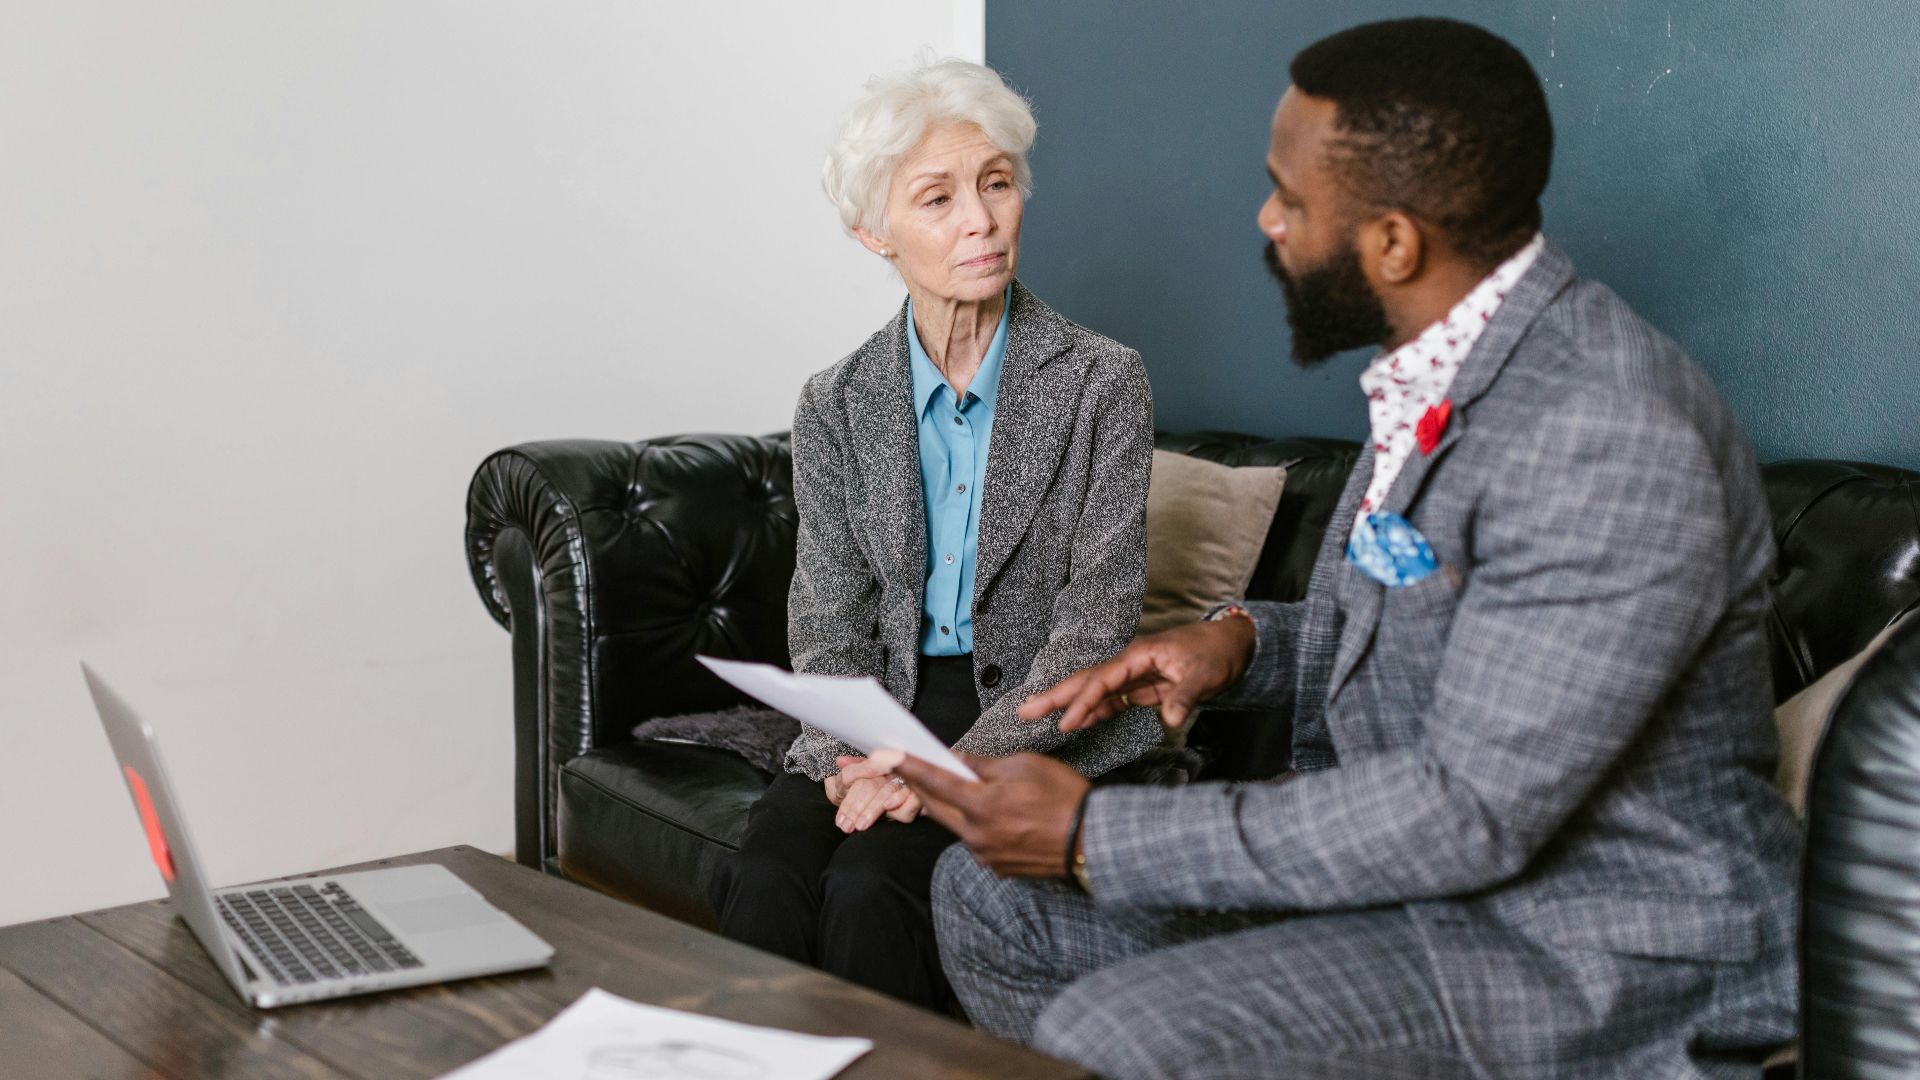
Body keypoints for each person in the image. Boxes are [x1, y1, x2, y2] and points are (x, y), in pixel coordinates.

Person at [887, 19, 1799, 1077]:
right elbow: (1436, 637)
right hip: (1421, 897)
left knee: (1117, 1036)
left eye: (1293, 198)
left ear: (1395, 243)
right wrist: (1235, 645)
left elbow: (1469, 811)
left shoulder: (1607, 433)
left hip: (1595, 955)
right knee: (993, 900)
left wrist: (1095, 833)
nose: (1266, 219)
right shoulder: (1442, 366)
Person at [705, 57, 1162, 1013]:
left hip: (1030, 715)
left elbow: (1093, 630)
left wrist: (941, 774)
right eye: (938, 198)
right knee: (771, 876)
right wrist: (855, 760)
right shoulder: (834, 402)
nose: (981, 221)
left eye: (996, 184)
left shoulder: (1101, 382)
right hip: (878, 707)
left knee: (873, 893)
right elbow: (827, 627)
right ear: (875, 232)